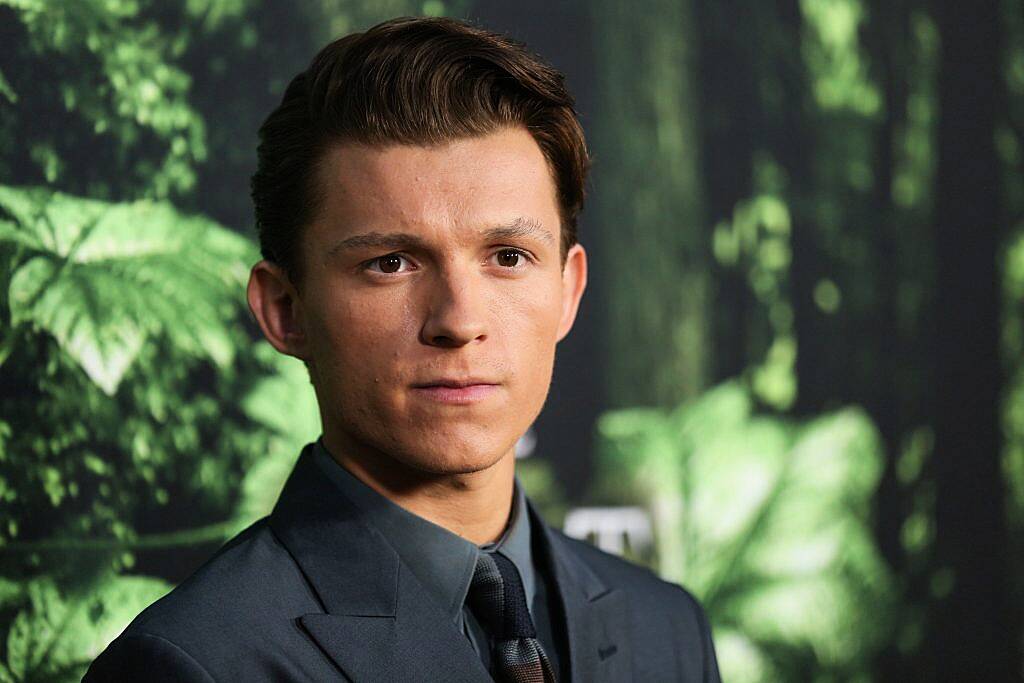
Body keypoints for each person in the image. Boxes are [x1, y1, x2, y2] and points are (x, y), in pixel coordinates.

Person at [84, 15, 721, 683]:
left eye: (508, 256)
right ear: (284, 310)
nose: (459, 319)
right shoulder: (194, 663)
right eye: (391, 263)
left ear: (568, 291)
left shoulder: (667, 626)